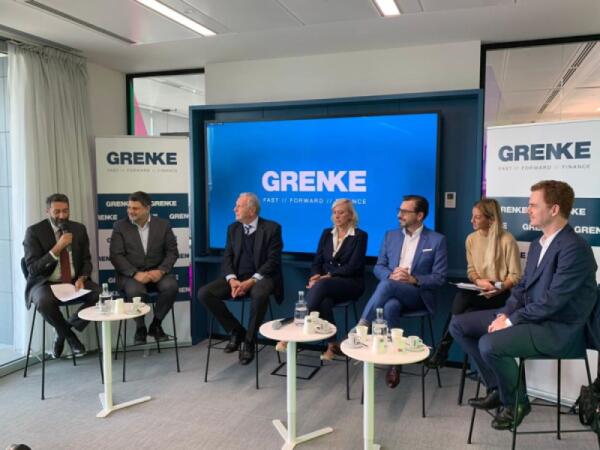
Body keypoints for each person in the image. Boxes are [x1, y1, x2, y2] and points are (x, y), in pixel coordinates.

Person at [450, 180, 598, 430]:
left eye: (533, 205)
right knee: (458, 325)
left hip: (557, 329)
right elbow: (521, 289)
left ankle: (516, 401)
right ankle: (498, 388)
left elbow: (553, 302)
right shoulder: (539, 244)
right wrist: (505, 313)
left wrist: (509, 320)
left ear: (554, 209)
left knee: (489, 344)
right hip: (531, 318)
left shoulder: (575, 248)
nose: (527, 209)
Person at [357, 194, 447, 388]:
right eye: (399, 210)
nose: (399, 215)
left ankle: (362, 327)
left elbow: (439, 277)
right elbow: (379, 267)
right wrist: (392, 275)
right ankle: (395, 363)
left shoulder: (436, 240)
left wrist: (413, 279)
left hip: (418, 295)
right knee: (390, 306)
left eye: (405, 211)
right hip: (392, 291)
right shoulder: (390, 236)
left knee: (387, 286)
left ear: (420, 215)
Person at [426, 199, 522, 369]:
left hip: (501, 294)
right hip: (479, 291)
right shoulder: (471, 239)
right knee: (465, 308)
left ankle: (443, 349)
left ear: (490, 219)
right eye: (472, 216)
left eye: (477, 217)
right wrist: (479, 281)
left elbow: (515, 276)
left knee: (462, 299)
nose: (472, 221)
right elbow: (471, 270)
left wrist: (497, 287)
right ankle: (483, 365)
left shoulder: (507, 240)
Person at [198, 192, 283, 365]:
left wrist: (251, 281)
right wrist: (232, 280)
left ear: (251, 210)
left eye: (239, 206)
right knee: (204, 293)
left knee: (259, 294)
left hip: (262, 278)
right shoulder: (233, 228)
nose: (234, 209)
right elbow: (227, 257)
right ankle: (236, 331)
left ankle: (249, 342)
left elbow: (272, 261)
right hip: (237, 277)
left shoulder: (272, 228)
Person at [276, 199, 367, 360]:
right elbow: (317, 262)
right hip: (325, 284)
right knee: (323, 300)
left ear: (351, 215)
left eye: (341, 212)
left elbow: (353, 267)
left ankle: (292, 329)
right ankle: (332, 345)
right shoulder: (326, 233)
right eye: (334, 213)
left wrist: (327, 276)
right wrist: (315, 276)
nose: (337, 216)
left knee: (323, 285)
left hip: (351, 283)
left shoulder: (360, 236)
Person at [23, 193, 99, 357]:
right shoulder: (34, 232)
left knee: (99, 294)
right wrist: (58, 248)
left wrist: (82, 277)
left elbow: (86, 260)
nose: (62, 216)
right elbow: (33, 269)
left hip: (73, 281)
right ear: (47, 211)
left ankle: (63, 331)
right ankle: (71, 338)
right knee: (43, 301)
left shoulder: (78, 229)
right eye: (57, 212)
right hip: (45, 283)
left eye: (65, 211)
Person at [109, 191, 179, 344]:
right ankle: (140, 328)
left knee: (171, 286)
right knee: (136, 291)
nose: (130, 211)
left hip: (156, 273)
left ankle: (156, 324)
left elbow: (172, 252)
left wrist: (161, 270)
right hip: (131, 276)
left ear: (147, 208)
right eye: (129, 207)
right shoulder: (120, 226)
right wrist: (135, 273)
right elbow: (116, 256)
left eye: (135, 208)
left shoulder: (163, 225)